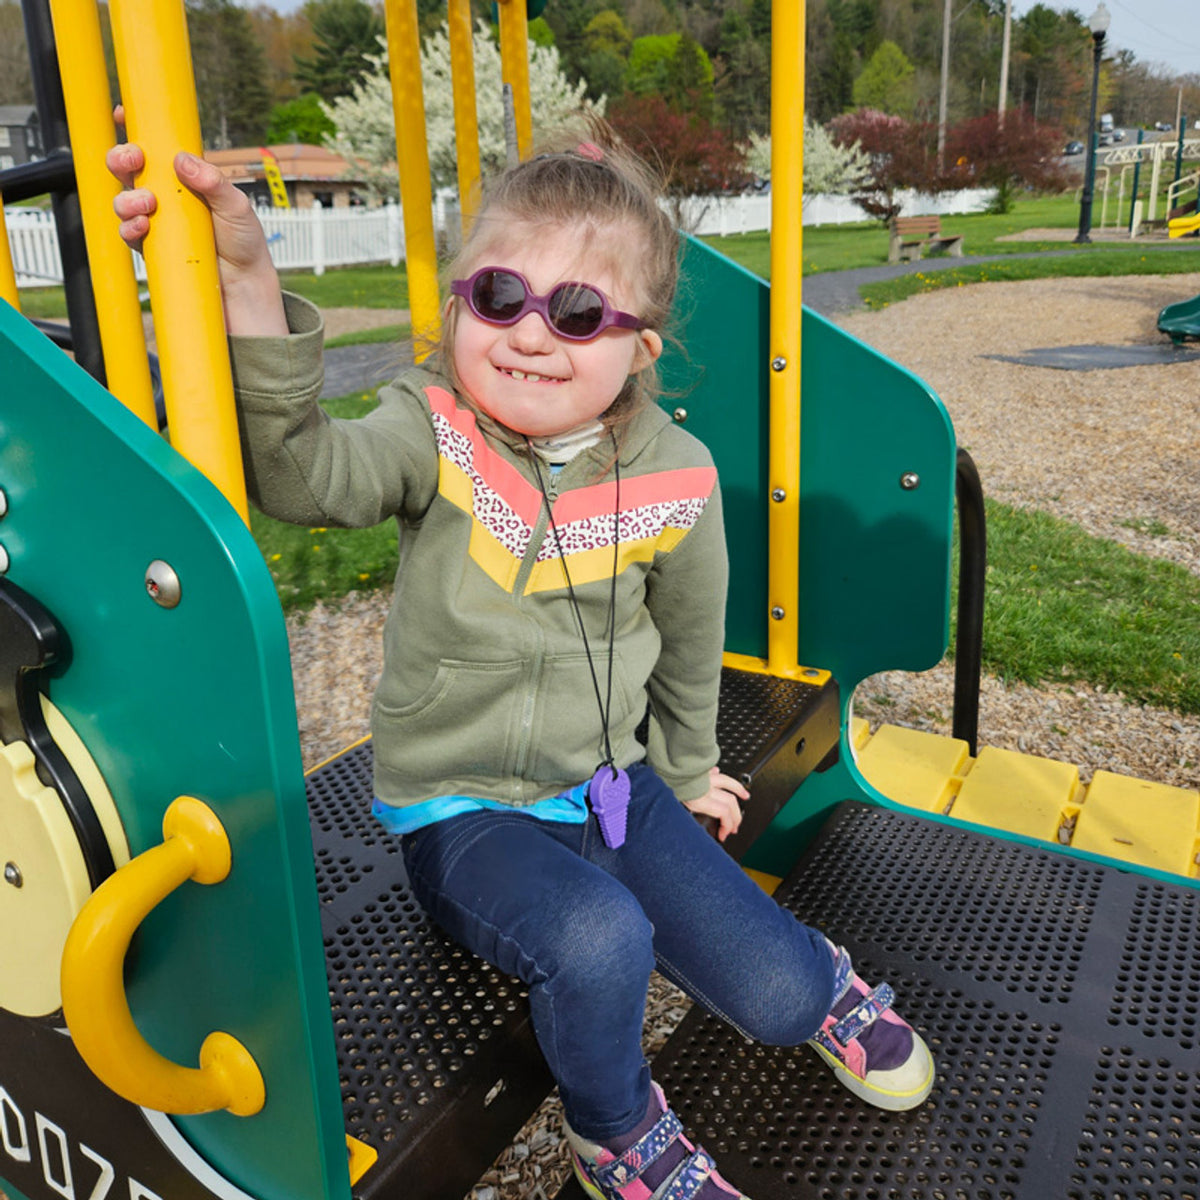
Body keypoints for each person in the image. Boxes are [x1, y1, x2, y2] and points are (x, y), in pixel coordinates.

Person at [108, 123, 934, 1200]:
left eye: (580, 312)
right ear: (458, 304)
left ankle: (820, 975)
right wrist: (251, 284)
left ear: (640, 344)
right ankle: (617, 1131)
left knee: (775, 997)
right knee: (599, 936)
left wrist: (684, 771)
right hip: (463, 810)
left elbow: (689, 646)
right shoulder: (434, 427)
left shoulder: (676, 476)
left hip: (612, 787)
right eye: (499, 296)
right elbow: (308, 478)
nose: (533, 335)